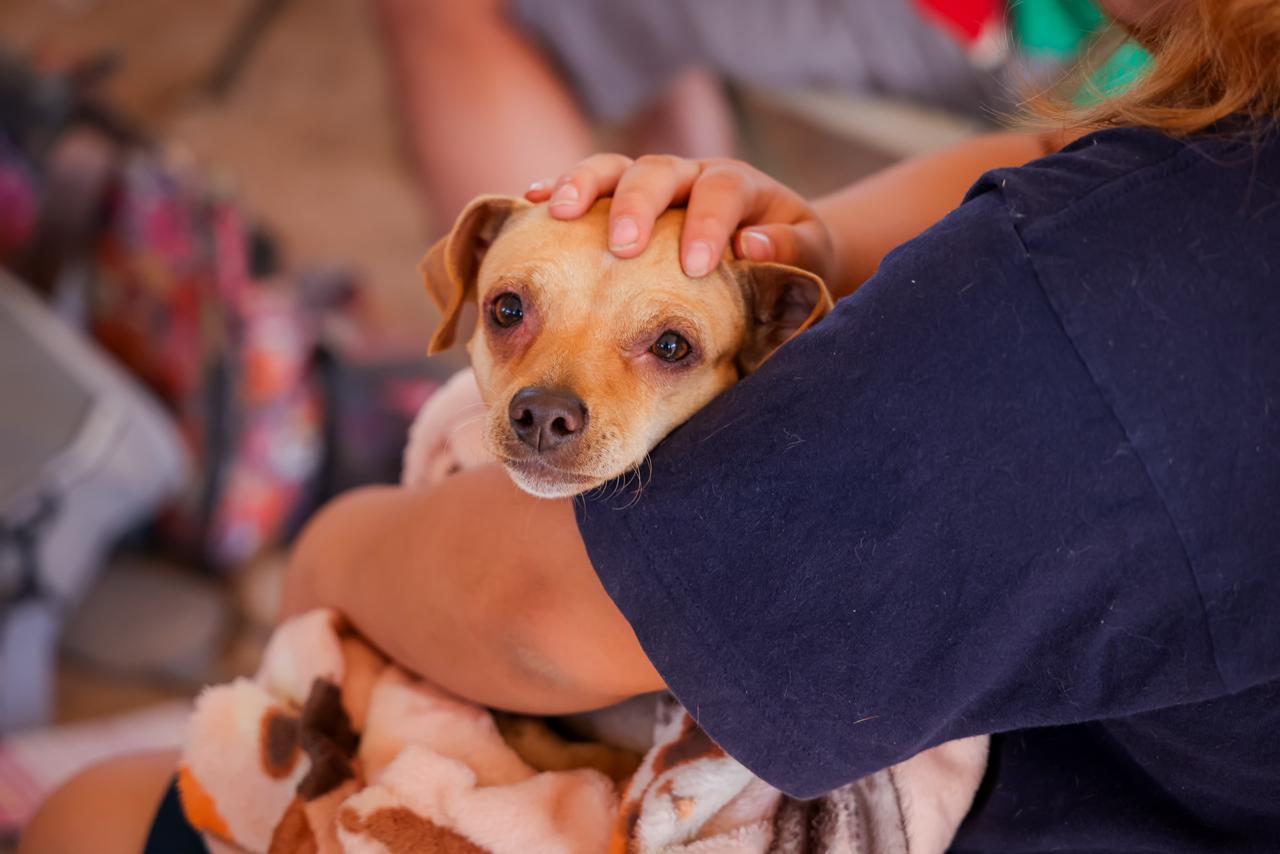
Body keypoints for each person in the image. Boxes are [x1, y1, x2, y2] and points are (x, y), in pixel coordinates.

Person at [21, 0, 1280, 850]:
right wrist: (818, 241)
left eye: (666, 346)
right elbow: (1075, 146)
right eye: (509, 313)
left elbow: (530, 623)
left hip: (1060, 801)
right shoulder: (1213, 151)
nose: (548, 395)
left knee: (90, 813)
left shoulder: (1091, 305)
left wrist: (326, 552)